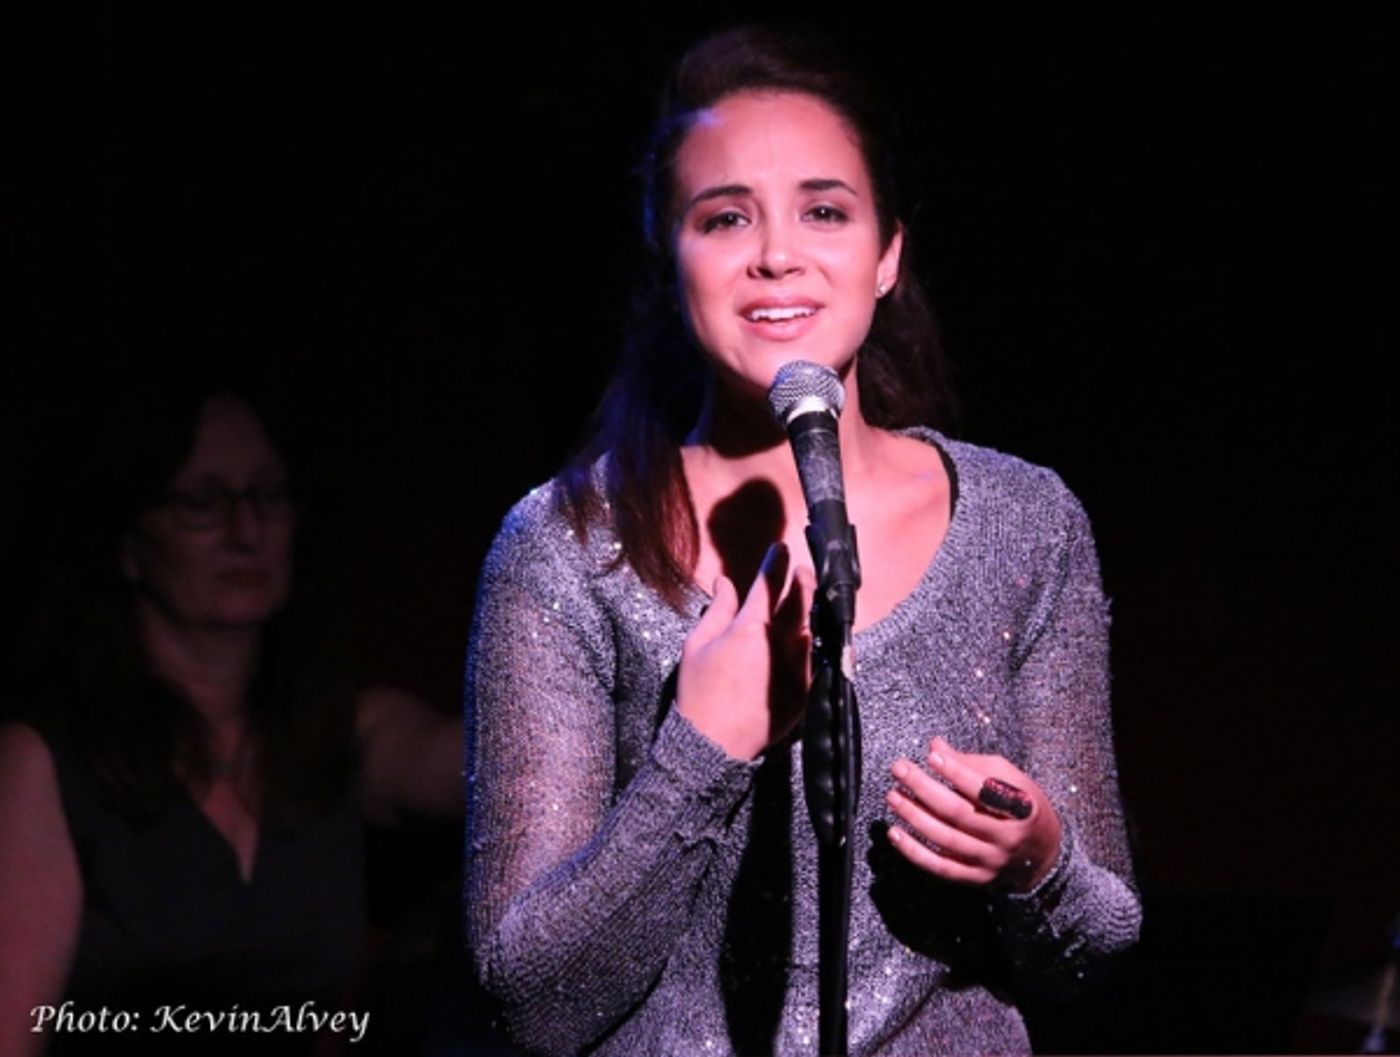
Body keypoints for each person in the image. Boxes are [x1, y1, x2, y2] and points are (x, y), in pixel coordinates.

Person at [465, 26, 1140, 1057]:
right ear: (666, 252)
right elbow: (531, 1002)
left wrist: (1036, 859)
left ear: (886, 255)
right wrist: (700, 751)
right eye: (725, 216)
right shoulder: (565, 546)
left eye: (824, 211)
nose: (777, 252)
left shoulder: (1024, 523)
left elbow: (1092, 955)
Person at [0, 381, 462, 1056]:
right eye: (203, 502)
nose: (246, 532)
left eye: (268, 497)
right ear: (129, 540)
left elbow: (480, 763)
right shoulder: (45, 759)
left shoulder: (343, 730)